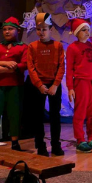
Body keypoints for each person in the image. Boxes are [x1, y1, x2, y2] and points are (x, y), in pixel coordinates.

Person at [25, 13, 65, 157]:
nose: (41, 32)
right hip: (38, 86)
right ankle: (40, 145)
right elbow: (31, 68)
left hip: (54, 85)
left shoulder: (58, 46)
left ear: (50, 29)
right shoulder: (32, 46)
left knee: (55, 116)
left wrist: (55, 85)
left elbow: (61, 66)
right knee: (38, 117)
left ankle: (55, 145)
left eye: (44, 29)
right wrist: (39, 85)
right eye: (38, 29)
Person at [0, 17, 27, 150]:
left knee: (14, 113)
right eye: (4, 29)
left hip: (15, 85)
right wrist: (4, 63)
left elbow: (24, 64)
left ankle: (14, 142)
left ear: (18, 31)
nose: (7, 32)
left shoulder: (23, 47)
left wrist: (3, 70)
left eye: (10, 29)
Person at [65, 18, 92, 152]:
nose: (87, 32)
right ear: (77, 32)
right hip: (81, 82)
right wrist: (70, 88)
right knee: (80, 112)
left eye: (88, 30)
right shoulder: (72, 48)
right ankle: (80, 139)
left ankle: (91, 137)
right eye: (83, 30)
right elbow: (69, 69)